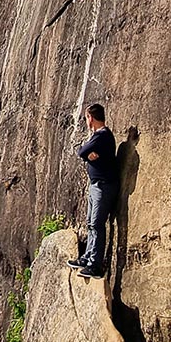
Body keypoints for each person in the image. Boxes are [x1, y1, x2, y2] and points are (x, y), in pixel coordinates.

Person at [68, 103, 119, 278]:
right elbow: (84, 152)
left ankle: (95, 265)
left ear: (91, 117)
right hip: (96, 185)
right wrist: (88, 155)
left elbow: (82, 151)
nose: (86, 121)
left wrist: (88, 155)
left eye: (86, 117)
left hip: (103, 186)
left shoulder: (102, 135)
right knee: (91, 222)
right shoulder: (98, 137)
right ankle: (87, 257)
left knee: (97, 224)